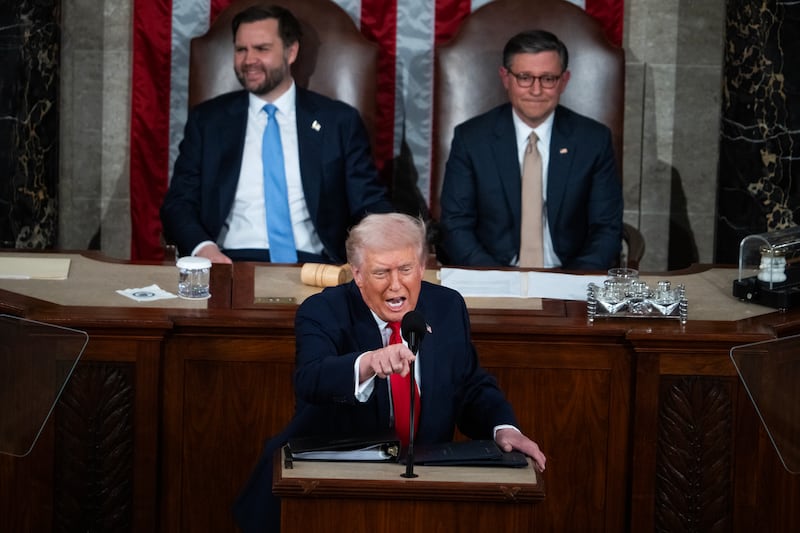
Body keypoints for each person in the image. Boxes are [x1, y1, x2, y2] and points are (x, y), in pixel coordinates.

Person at [233, 212, 546, 532]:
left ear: (423, 267)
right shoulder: (323, 311)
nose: (396, 285)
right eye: (381, 272)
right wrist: (368, 363)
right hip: (331, 488)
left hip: (424, 486)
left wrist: (502, 427)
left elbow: (469, 385)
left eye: (406, 270)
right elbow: (310, 379)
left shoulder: (447, 307)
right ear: (357, 274)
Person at [160, 4, 393, 264]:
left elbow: (368, 202)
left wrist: (392, 236)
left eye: (262, 49)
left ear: (291, 52)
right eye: (241, 50)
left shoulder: (338, 121)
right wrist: (204, 250)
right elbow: (179, 203)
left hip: (313, 266)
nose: (249, 60)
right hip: (227, 263)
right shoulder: (208, 121)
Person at [438, 29, 623, 270]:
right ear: (506, 78)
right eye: (524, 77)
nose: (536, 90)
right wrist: (493, 276)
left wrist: (574, 278)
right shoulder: (471, 138)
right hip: (492, 273)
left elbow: (606, 227)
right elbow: (455, 223)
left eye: (548, 79)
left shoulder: (593, 140)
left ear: (563, 81)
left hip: (569, 275)